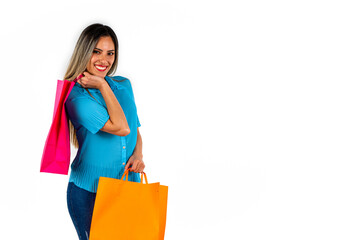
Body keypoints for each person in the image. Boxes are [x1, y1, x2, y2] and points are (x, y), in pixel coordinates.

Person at [63, 23, 145, 240]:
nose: (104, 60)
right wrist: (102, 85)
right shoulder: (77, 98)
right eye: (96, 52)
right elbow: (121, 127)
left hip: (128, 187)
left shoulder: (124, 85)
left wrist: (138, 155)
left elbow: (134, 130)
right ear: (84, 52)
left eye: (110, 53)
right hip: (90, 193)